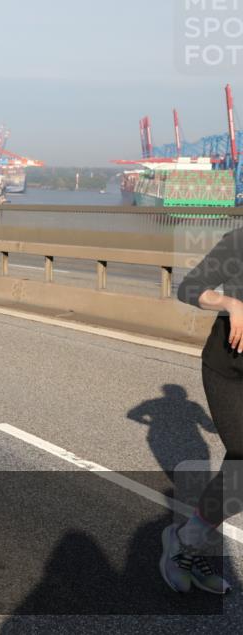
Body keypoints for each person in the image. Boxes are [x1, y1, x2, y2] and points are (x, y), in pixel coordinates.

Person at [160, 228, 241, 595]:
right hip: (229, 371)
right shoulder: (239, 241)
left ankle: (186, 545)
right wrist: (230, 303)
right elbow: (189, 288)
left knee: (237, 476)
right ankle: (184, 543)